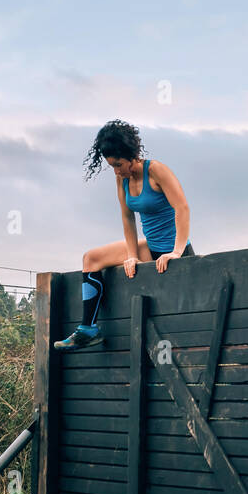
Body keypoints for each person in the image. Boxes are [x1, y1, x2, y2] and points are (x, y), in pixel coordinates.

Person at [54, 120, 194, 350]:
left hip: (175, 249)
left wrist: (177, 252)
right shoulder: (122, 179)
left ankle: (172, 252)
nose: (117, 171)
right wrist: (131, 255)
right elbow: (127, 218)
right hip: (150, 248)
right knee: (91, 258)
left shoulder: (156, 170)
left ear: (132, 155)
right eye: (112, 166)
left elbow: (183, 208)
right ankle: (88, 329)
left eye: (119, 164)